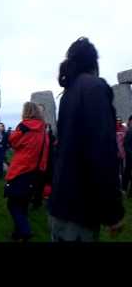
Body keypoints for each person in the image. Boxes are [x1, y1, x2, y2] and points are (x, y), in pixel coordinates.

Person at [48, 37, 124, 242]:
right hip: (80, 208)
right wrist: (113, 213)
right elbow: (103, 153)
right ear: (93, 62)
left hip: (61, 201)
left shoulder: (68, 94)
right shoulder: (96, 88)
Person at [5, 102, 49, 242]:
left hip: (20, 170)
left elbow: (13, 142)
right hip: (35, 172)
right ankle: (17, 234)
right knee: (23, 203)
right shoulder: (43, 130)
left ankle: (25, 231)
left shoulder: (24, 126)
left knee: (12, 204)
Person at [116, 117, 127, 190]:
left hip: (122, 153)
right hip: (115, 153)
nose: (119, 122)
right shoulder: (112, 128)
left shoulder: (124, 129)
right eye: (117, 121)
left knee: (122, 169)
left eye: (120, 121)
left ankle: (122, 185)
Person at [124, 115, 132, 197]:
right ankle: (124, 189)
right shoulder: (130, 132)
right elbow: (126, 144)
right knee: (127, 172)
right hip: (130, 157)